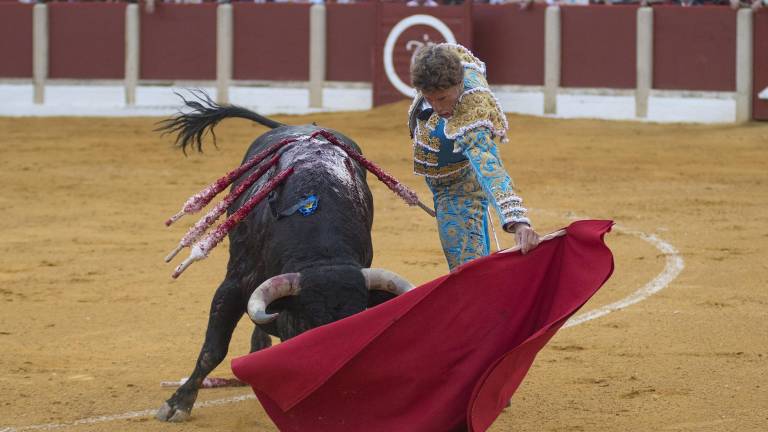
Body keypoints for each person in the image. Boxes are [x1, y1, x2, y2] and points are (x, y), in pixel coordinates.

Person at [408, 43, 540, 271]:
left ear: (459, 84)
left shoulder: (471, 113)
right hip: (444, 184)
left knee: (468, 272)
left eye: (442, 98)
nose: (437, 108)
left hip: (458, 188)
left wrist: (518, 222)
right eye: (429, 99)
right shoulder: (449, 62)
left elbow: (489, 166)